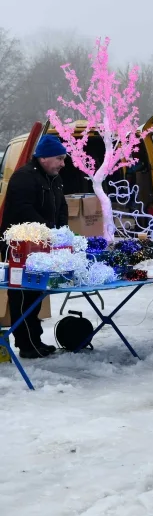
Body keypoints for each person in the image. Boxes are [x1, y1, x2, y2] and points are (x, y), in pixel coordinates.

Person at [0, 136, 68, 358]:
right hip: (20, 249)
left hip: (43, 247)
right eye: (59, 158)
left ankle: (34, 339)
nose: (62, 163)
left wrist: (61, 233)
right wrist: (47, 230)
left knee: (37, 293)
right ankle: (26, 344)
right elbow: (22, 210)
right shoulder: (24, 177)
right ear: (44, 157)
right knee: (22, 295)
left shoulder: (54, 178)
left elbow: (61, 207)